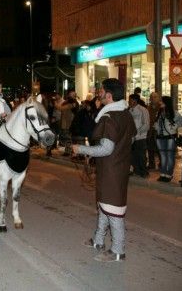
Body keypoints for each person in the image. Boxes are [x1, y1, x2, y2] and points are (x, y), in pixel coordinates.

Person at [72, 78, 136, 262]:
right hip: (117, 167)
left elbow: (106, 149)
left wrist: (81, 149)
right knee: (104, 207)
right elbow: (130, 140)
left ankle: (117, 250)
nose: (98, 93)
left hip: (111, 171)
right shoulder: (125, 114)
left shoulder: (109, 118)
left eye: (101, 90)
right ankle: (98, 240)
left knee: (113, 211)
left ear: (108, 95)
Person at [154, 96, 182, 182]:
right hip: (160, 137)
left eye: (161, 101)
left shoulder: (175, 113)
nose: (160, 103)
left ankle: (168, 174)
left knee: (170, 157)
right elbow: (157, 124)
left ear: (166, 102)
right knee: (163, 157)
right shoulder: (159, 112)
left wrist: (174, 127)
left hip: (170, 137)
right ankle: (163, 174)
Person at [128, 93, 150, 178]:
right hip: (131, 138)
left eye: (130, 100)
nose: (129, 102)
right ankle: (136, 170)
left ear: (135, 100)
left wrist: (137, 132)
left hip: (140, 137)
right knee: (132, 155)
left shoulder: (143, 110)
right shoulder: (129, 110)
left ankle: (143, 171)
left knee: (141, 155)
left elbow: (146, 124)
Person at [56, 90, 79, 156]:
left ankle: (69, 152)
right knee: (67, 138)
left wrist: (55, 104)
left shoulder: (73, 103)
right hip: (66, 123)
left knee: (69, 138)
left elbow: (61, 108)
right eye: (71, 94)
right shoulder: (68, 102)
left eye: (73, 94)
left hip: (70, 123)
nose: (71, 96)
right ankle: (69, 151)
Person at [147, 92, 161, 170]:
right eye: (151, 97)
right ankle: (151, 164)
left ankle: (161, 164)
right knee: (150, 148)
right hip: (150, 131)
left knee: (159, 148)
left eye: (155, 97)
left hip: (158, 131)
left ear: (158, 98)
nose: (153, 99)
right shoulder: (148, 107)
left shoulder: (161, 107)